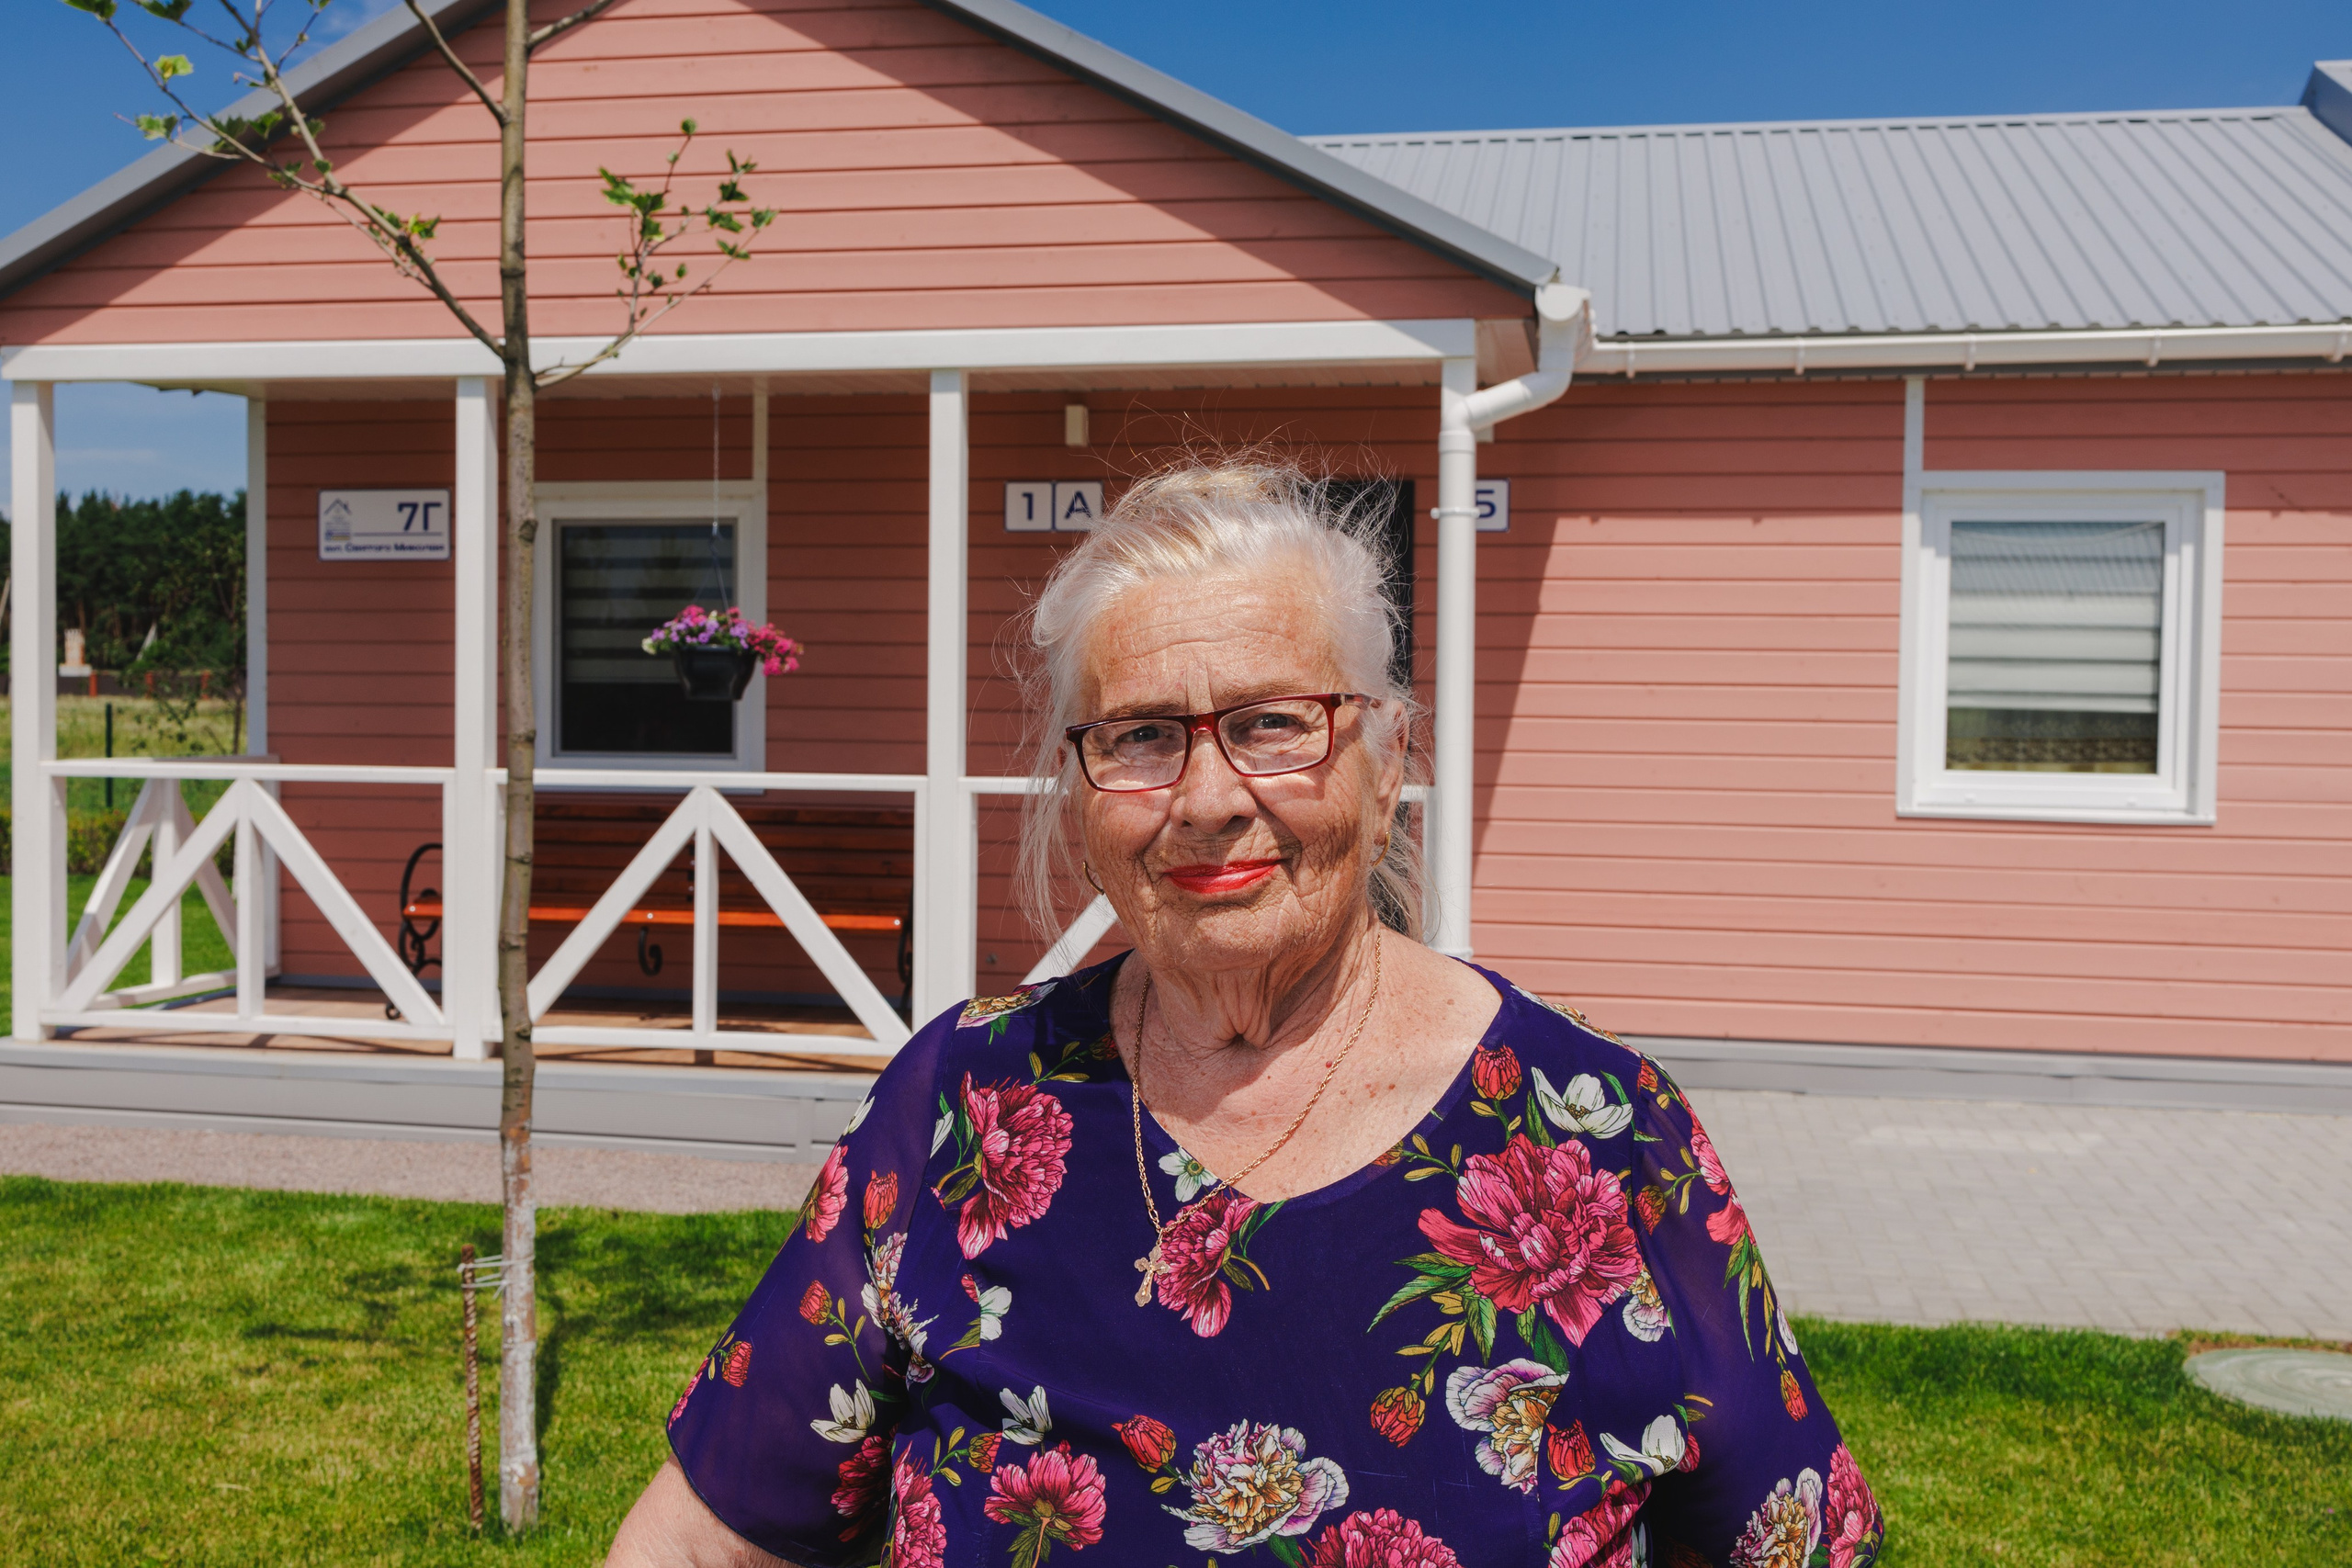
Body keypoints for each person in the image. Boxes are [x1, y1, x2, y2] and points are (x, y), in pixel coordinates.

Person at [608, 465, 1883, 1568]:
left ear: (1385, 767)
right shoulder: (965, 1112)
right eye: (1147, 736)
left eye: (1274, 724)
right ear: (1084, 794)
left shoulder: (1597, 1137)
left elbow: (1789, 1536)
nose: (1210, 797)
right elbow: (704, 1534)